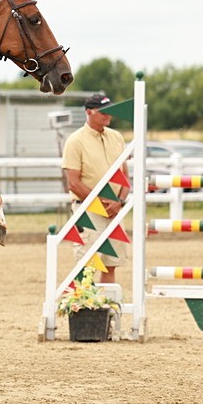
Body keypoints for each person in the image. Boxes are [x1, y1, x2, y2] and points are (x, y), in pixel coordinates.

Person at [61, 93, 129, 283]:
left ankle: (106, 307)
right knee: (87, 262)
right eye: (103, 111)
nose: (108, 114)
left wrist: (120, 202)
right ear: (89, 112)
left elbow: (125, 176)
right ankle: (85, 308)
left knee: (111, 263)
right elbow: (73, 182)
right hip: (87, 208)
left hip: (115, 209)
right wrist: (102, 203)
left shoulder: (117, 137)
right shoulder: (75, 140)